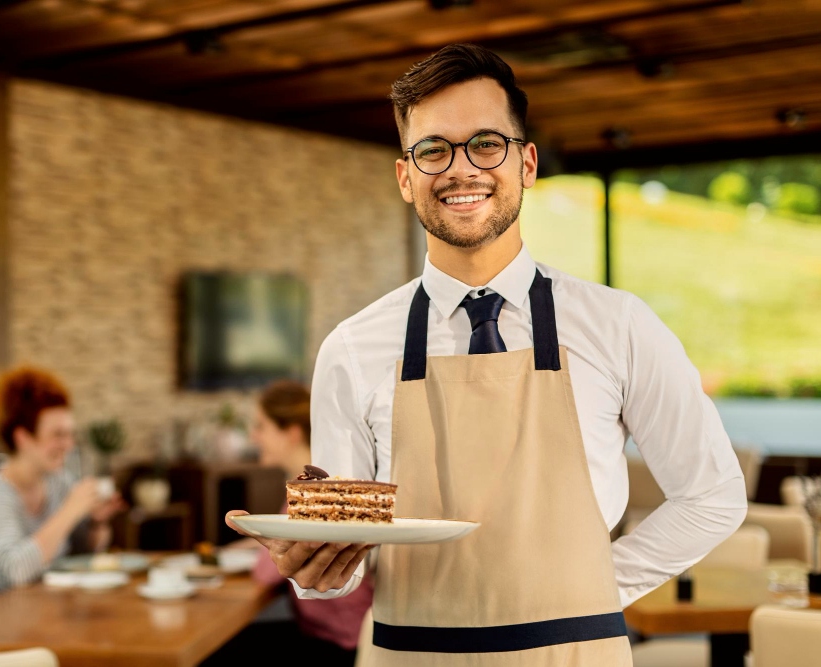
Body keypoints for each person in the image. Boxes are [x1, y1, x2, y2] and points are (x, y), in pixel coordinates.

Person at [226, 43, 748, 665]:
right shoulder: (352, 348)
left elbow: (711, 495)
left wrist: (595, 588)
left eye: (486, 144)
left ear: (526, 163)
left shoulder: (620, 326)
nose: (461, 169)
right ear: (406, 177)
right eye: (433, 150)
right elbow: (341, 559)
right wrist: (314, 571)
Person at [0, 365, 125, 613]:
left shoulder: (59, 483)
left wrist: (96, 522)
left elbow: (80, 552)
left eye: (70, 434)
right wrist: (70, 511)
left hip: (19, 611)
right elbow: (18, 571)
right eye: (58, 435)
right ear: (23, 437)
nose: (68, 445)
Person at [208, 379, 373, 665]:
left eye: (261, 426)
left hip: (340, 646)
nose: (253, 437)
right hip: (333, 634)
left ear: (292, 433)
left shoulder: (312, 494)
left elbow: (265, 571)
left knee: (219, 651)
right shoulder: (320, 480)